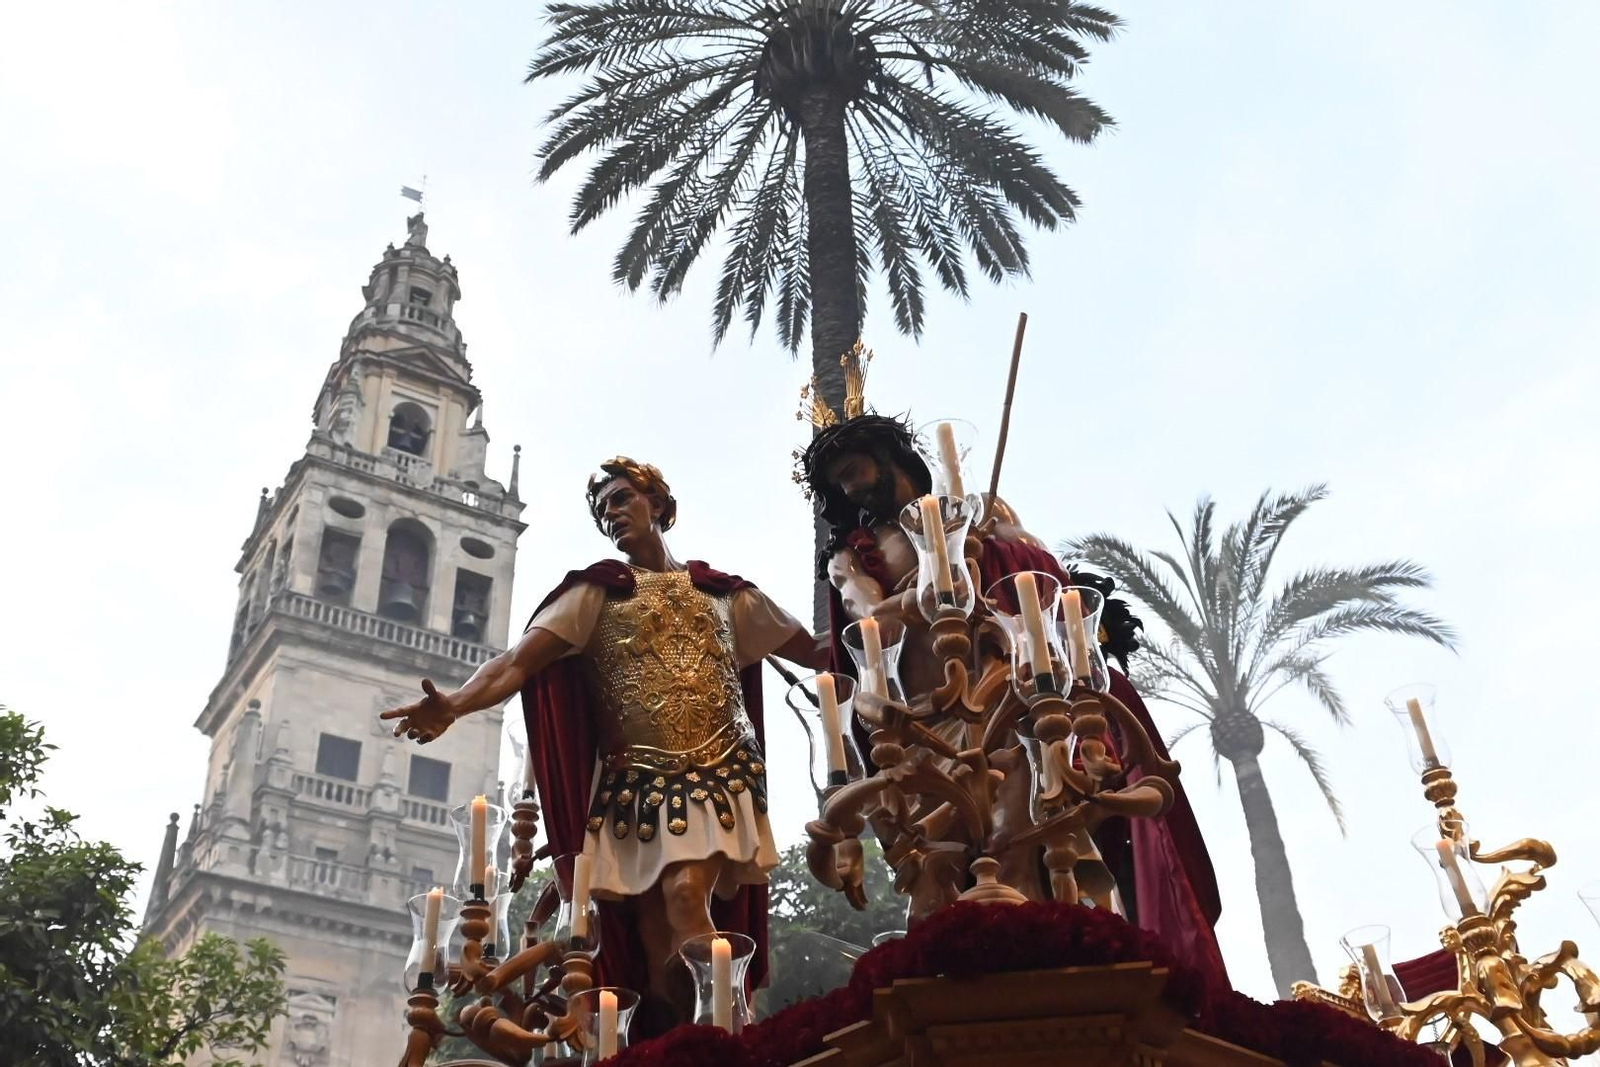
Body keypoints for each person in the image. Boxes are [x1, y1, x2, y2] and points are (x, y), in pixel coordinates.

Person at [797, 375, 1229, 989]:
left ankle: (1049, 980)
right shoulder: (854, 554)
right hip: (926, 725)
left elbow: (1044, 581)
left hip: (1010, 704)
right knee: (942, 871)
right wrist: (934, 588)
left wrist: (986, 548)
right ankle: (964, 994)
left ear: (891, 458)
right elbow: (868, 623)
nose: (849, 487)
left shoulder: (982, 513)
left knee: (1029, 843)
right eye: (838, 481)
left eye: (854, 469)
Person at [381, 456, 824, 1022]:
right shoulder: (594, 594)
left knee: (687, 896)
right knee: (653, 950)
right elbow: (516, 664)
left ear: (657, 503)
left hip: (716, 776)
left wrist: (880, 605)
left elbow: (819, 652)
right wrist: (455, 704)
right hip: (631, 791)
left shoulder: (725, 596)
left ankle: (733, 1041)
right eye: (600, 509)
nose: (609, 513)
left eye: (620, 498)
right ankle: (670, 1042)